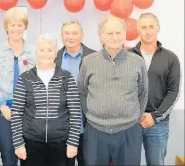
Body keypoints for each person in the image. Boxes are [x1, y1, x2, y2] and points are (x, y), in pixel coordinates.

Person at [77, 16, 149, 166]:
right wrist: (93, 115)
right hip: (96, 131)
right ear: (101, 36)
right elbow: (81, 93)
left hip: (129, 131)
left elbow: (143, 93)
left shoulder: (138, 61)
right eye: (110, 33)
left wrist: (132, 118)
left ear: (125, 35)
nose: (115, 37)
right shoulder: (88, 62)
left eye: (118, 33)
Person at [11, 33, 81, 166]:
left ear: (56, 53)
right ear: (36, 52)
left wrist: (73, 143)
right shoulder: (25, 78)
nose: (45, 54)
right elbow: (16, 113)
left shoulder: (66, 77)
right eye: (41, 50)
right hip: (31, 143)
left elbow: (75, 113)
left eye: (50, 50)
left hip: (62, 143)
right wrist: (18, 144)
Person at [0, 7, 36, 166]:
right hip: (2, 110)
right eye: (12, 25)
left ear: (25, 27)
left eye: (19, 25)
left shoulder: (33, 51)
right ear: (6, 27)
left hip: (28, 111)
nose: (15, 29)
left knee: (29, 155)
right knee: (8, 155)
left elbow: (39, 82)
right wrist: (3, 107)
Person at [128, 12, 181, 166]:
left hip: (158, 124)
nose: (148, 30)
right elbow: (121, 89)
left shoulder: (170, 58)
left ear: (158, 28)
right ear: (138, 30)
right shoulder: (127, 56)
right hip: (131, 123)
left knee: (156, 163)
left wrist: (155, 116)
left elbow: (174, 92)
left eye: (151, 26)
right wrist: (134, 115)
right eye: (143, 27)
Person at [55, 19, 96, 166]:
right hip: (62, 127)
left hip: (89, 125)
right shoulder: (54, 57)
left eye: (74, 33)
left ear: (81, 36)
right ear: (61, 36)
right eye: (67, 33)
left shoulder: (94, 57)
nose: (70, 37)